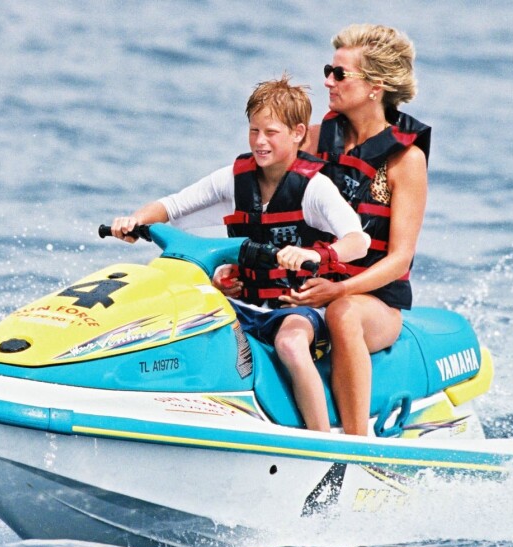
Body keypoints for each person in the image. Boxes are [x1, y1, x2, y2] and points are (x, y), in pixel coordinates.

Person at [110, 75, 369, 432]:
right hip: (243, 303)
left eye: (271, 133)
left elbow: (358, 240)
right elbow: (174, 206)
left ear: (297, 133)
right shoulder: (233, 179)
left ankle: (322, 444)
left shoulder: (314, 187)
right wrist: (134, 221)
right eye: (253, 131)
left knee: (291, 345)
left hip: (296, 307)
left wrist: (316, 257)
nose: (260, 142)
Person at [280, 24, 432, 436]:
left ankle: (354, 445)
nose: (328, 80)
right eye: (329, 69)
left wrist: (340, 291)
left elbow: (400, 258)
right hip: (314, 284)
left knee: (342, 315)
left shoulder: (405, 161)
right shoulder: (310, 141)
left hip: (372, 302)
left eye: (340, 74)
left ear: (375, 87)